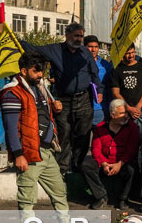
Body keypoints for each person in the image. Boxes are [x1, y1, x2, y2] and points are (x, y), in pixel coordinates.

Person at [0, 51, 70, 223]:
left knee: (59, 190)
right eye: (36, 71)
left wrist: (55, 108)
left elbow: (39, 114)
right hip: (29, 152)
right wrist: (18, 154)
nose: (40, 74)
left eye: (42, 70)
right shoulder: (12, 93)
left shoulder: (40, 88)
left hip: (46, 150)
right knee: (27, 196)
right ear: (23, 70)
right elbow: (11, 128)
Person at [29, 22, 101, 175]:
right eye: (76, 36)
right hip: (63, 101)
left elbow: (94, 73)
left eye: (81, 36)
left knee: (83, 134)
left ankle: (78, 166)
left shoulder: (85, 52)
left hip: (84, 100)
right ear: (67, 35)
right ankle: (62, 170)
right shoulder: (54, 50)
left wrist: (98, 89)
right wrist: (15, 42)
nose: (79, 39)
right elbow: (33, 49)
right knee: (64, 133)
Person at [81, 99, 140, 209]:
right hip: (105, 163)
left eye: (126, 113)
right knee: (86, 164)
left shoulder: (132, 128)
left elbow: (131, 150)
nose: (126, 116)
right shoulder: (100, 128)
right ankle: (101, 197)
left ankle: (123, 198)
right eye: (122, 113)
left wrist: (119, 164)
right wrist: (103, 163)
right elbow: (96, 149)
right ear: (113, 115)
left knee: (132, 168)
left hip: (122, 162)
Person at [111, 43, 142, 131]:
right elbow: (115, 92)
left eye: (133, 52)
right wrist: (129, 108)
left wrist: (138, 107)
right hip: (124, 112)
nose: (131, 55)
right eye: (128, 53)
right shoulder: (117, 69)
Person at [85, 35, 113, 125]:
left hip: (101, 109)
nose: (93, 50)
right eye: (90, 47)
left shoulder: (104, 65)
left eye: (96, 47)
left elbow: (109, 86)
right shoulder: (78, 64)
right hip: (83, 108)